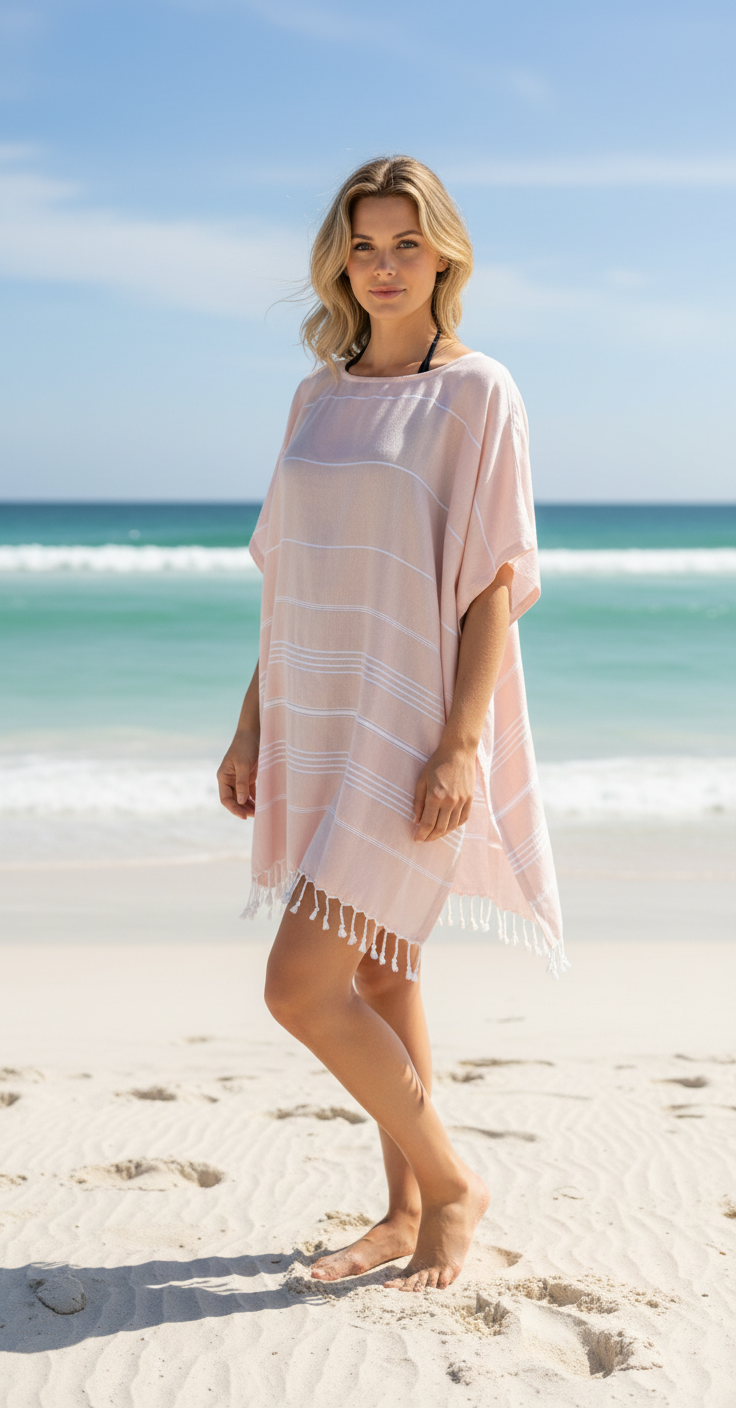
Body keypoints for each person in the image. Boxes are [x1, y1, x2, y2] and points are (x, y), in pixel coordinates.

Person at [217, 155, 564, 1293]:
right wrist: (251, 724)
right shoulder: (316, 394)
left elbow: (487, 585)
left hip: (408, 729)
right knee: (378, 980)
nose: (381, 267)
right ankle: (404, 1210)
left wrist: (462, 741)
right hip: (318, 716)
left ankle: (453, 1184)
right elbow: (293, 578)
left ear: (444, 254)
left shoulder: (478, 392)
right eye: (362, 246)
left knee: (298, 988)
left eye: (403, 245)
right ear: (338, 258)